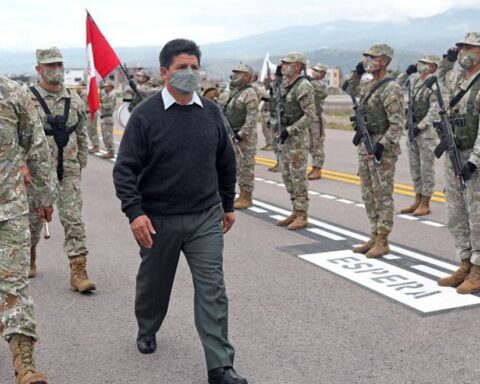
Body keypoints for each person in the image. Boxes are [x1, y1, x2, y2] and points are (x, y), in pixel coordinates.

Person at [113, 39, 247, 384]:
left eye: (194, 67)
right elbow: (125, 169)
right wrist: (135, 212)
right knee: (154, 285)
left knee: (212, 289)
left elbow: (225, 161)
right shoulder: (146, 116)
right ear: (164, 73)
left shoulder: (212, 113)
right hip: (158, 220)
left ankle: (220, 367)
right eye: (181, 68)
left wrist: (228, 204)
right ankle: (147, 326)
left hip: (205, 216)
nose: (189, 73)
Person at [0, 74, 57, 384]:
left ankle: (24, 363)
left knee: (15, 285)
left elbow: (36, 147)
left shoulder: (13, 94)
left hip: (8, 210)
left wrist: (44, 195)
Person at [26, 47, 96, 292]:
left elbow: (81, 133)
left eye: (58, 64)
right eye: (49, 66)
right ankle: (30, 253)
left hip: (68, 172)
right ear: (39, 69)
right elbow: (15, 138)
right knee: (33, 223)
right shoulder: (27, 99)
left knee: (73, 219)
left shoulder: (74, 99)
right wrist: (22, 168)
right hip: (36, 176)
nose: (56, 69)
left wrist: (81, 162)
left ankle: (78, 271)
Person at [346, 44, 405, 258]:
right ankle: (373, 233)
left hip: (382, 148)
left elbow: (397, 124)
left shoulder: (391, 88)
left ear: (385, 61)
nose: (369, 60)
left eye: (373, 57)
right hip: (365, 144)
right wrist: (357, 72)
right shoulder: (367, 85)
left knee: (382, 194)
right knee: (368, 194)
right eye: (367, 57)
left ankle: (383, 239)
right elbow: (348, 88)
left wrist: (382, 145)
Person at [435, 33, 480, 294]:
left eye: (469, 48)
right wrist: (446, 61)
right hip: (454, 154)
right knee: (456, 213)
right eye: (461, 48)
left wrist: (473, 162)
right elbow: (438, 83)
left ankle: (477, 268)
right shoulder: (458, 78)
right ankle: (465, 262)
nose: (463, 52)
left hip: (473, 159)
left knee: (477, 217)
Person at [275, 52, 316, 230]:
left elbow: (310, 115)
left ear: (298, 66)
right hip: (286, 136)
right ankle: (294, 209)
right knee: (287, 175)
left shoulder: (303, 86)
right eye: (283, 64)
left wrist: (290, 130)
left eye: (287, 64)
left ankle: (302, 214)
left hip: (297, 138)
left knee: (298, 176)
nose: (283, 66)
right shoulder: (286, 84)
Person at [397, 55, 441, 216]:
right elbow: (396, 86)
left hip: (426, 133)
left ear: (433, 67)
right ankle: (417, 198)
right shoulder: (414, 81)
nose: (420, 65)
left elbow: (434, 109)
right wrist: (406, 73)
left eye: (425, 63)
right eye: (420, 62)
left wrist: (421, 126)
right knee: (414, 167)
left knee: (425, 168)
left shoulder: (434, 83)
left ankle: (426, 202)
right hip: (412, 130)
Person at [225, 64, 259, 210]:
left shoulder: (249, 93)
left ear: (246, 76)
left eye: (238, 73)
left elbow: (252, 117)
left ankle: (247, 197)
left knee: (246, 167)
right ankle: (242, 194)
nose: (235, 76)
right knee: (239, 167)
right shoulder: (236, 92)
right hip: (234, 133)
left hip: (245, 137)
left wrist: (242, 134)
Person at [308, 63, 328, 180]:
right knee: (310, 144)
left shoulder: (321, 85)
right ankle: (314, 167)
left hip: (316, 119)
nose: (314, 72)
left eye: (318, 71)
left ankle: (317, 169)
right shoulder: (309, 82)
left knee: (317, 144)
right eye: (314, 70)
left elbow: (315, 87)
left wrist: (306, 80)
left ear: (323, 74)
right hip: (308, 117)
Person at [78, 81, 100, 154]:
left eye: (78, 86)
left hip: (90, 113)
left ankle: (96, 146)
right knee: (90, 130)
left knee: (92, 130)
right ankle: (95, 145)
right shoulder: (85, 92)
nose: (77, 88)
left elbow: (82, 104)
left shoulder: (84, 93)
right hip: (90, 113)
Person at [100, 80, 116, 159]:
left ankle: (111, 151)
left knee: (108, 135)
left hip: (108, 117)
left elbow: (109, 105)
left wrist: (101, 105)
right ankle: (108, 150)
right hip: (104, 117)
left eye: (106, 86)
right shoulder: (106, 95)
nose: (105, 87)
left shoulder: (111, 95)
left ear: (110, 87)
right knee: (105, 135)